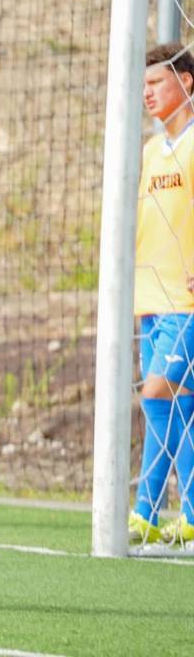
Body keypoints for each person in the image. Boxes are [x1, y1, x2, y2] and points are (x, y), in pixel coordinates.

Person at [130, 41, 194, 547]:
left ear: (186, 82)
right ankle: (160, 515)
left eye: (157, 83)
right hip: (149, 299)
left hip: (186, 302)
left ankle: (150, 509)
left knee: (159, 393)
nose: (147, 93)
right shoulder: (152, 152)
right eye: (144, 85)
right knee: (173, 404)